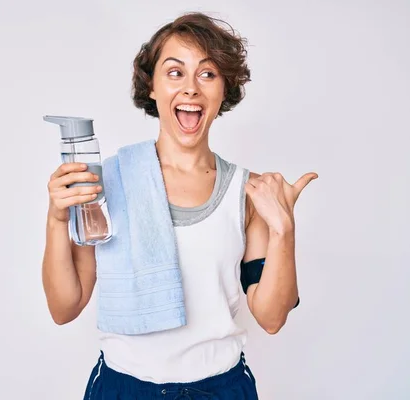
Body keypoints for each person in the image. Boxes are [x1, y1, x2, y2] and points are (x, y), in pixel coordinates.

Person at [42, 12, 317, 399]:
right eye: (175, 72)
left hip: (220, 388)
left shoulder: (248, 192)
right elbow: (64, 308)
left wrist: (283, 229)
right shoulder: (109, 182)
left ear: (224, 90)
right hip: (122, 387)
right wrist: (57, 218)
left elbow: (271, 318)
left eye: (207, 74)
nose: (190, 88)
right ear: (151, 86)